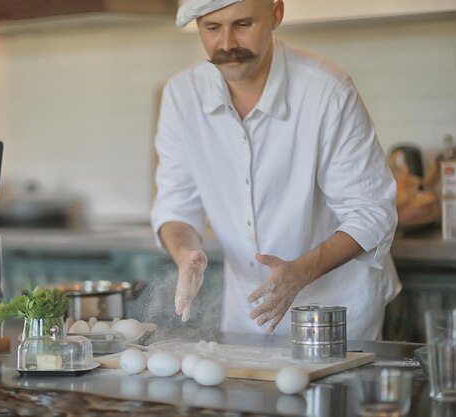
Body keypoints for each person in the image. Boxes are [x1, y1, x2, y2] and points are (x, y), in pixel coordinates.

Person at [150, 0, 400, 340]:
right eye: (211, 28)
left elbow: (371, 212)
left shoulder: (327, 91)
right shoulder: (181, 97)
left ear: (276, 14)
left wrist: (300, 271)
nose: (226, 44)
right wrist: (185, 256)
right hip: (246, 317)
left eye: (242, 24)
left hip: (338, 315)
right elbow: (175, 206)